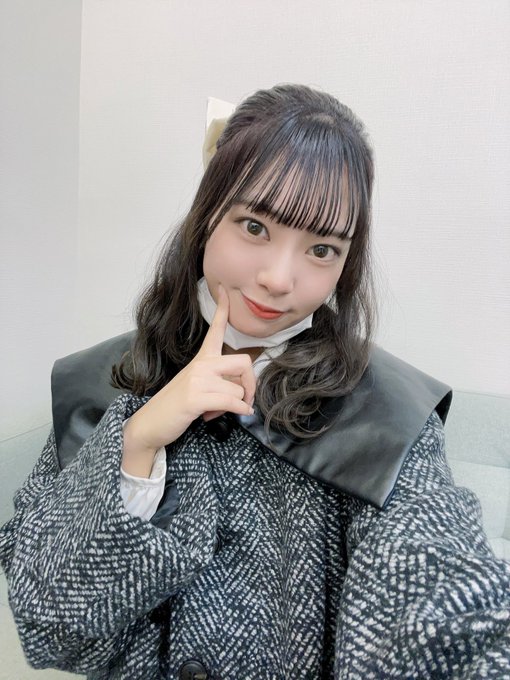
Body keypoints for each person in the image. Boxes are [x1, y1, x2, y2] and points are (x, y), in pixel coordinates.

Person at [1, 84, 509, 680]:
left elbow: (436, 592)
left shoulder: (389, 412)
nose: (279, 279)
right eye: (254, 226)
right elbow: (48, 630)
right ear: (207, 217)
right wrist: (135, 443)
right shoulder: (102, 380)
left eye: (322, 249)